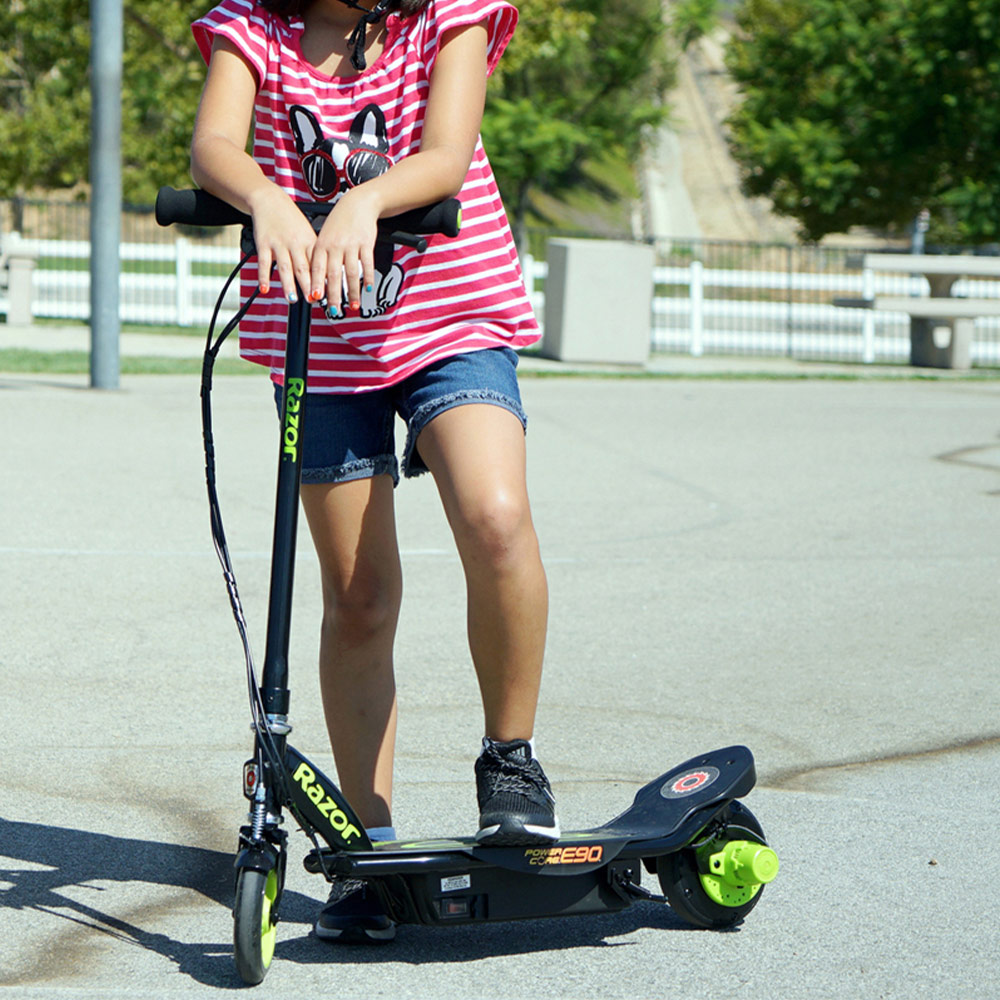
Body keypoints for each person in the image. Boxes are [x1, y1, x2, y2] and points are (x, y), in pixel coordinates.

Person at [190, 0, 558, 943]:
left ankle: (509, 762)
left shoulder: (450, 15)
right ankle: (367, 840)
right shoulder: (254, 28)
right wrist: (268, 197)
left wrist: (360, 198)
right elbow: (215, 150)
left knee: (495, 516)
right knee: (359, 594)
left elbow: (444, 155)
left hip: (450, 314)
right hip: (321, 333)